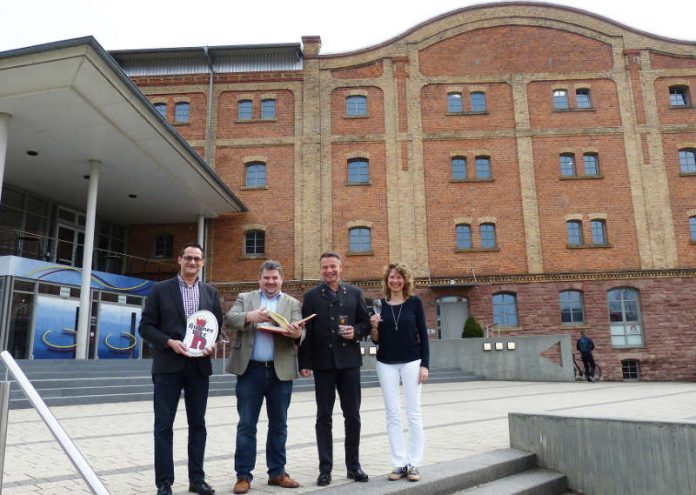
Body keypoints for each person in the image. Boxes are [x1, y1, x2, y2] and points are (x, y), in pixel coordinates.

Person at [139, 242, 222, 495]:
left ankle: (197, 479)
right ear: (179, 260)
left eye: (197, 258)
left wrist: (212, 345)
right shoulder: (160, 290)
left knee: (198, 425)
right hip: (168, 366)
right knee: (164, 425)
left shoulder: (210, 293)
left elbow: (216, 328)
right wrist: (168, 342)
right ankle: (164, 482)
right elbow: (145, 327)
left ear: (203, 262)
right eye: (188, 258)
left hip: (199, 367)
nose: (192, 262)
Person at [224, 260, 304, 494]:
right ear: (260, 279)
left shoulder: (292, 303)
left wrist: (298, 333)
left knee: (279, 424)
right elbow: (230, 319)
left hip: (281, 371)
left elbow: (302, 331)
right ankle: (243, 476)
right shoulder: (245, 298)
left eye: (275, 278)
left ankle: (277, 473)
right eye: (266, 278)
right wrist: (250, 316)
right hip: (250, 370)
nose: (270, 282)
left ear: (282, 280)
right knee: (247, 424)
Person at [298, 252, 371, 486]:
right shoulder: (310, 296)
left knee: (353, 416)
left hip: (349, 363)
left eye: (333, 267)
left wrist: (356, 332)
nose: (329, 271)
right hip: (323, 365)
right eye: (325, 267)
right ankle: (325, 468)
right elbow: (305, 333)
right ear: (320, 270)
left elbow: (366, 323)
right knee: (324, 417)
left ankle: (353, 465)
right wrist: (305, 363)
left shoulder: (355, 293)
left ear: (341, 268)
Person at [369, 263, 429, 482]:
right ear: (387, 280)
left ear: (405, 280)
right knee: (392, 414)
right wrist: (374, 326)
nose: (395, 281)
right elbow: (375, 340)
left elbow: (423, 334)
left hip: (412, 361)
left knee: (413, 413)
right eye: (391, 277)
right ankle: (399, 463)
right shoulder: (379, 305)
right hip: (386, 362)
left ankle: (414, 464)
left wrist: (425, 365)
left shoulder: (415, 303)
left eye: (399, 277)